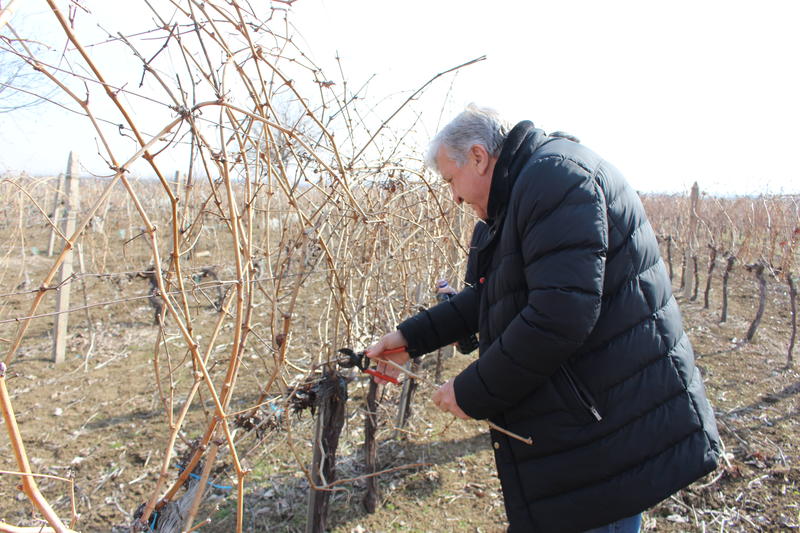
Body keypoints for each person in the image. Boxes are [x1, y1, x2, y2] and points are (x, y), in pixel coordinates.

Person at [366, 104, 721, 533]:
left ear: (478, 157)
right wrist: (410, 336)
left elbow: (560, 316)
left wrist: (472, 390)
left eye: (451, 181)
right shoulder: (528, 189)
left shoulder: (555, 180)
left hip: (605, 435)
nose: (454, 197)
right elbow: (495, 296)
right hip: (592, 427)